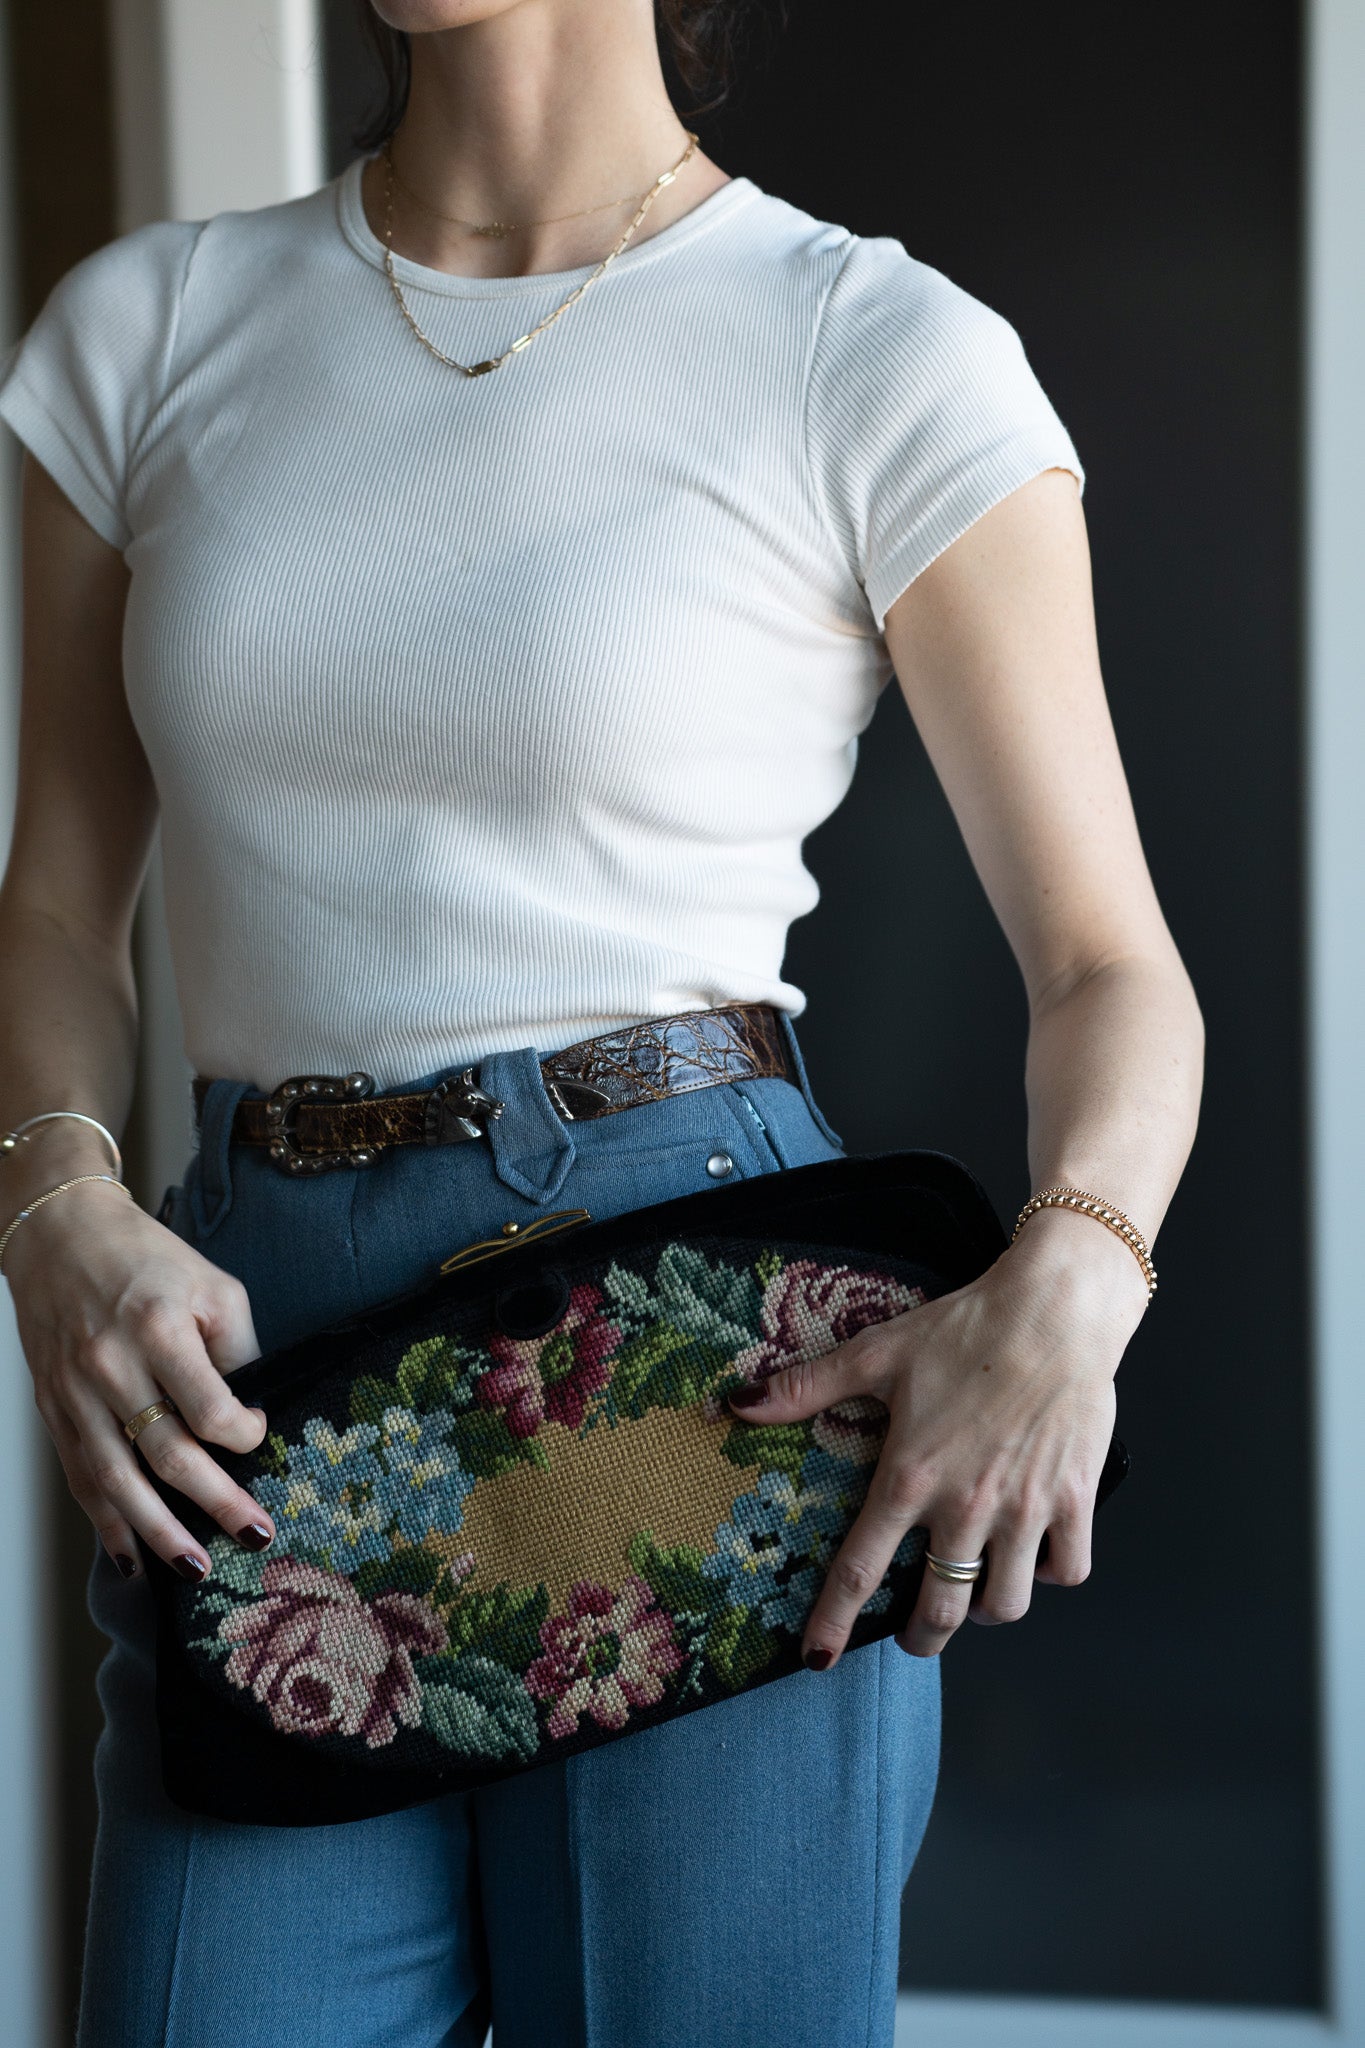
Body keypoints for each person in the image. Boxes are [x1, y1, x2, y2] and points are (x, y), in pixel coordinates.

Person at [0, 1, 1204, 2042]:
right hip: (267, 1371)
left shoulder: (867, 344)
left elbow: (1106, 962)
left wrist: (1070, 1285)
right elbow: (50, 905)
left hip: (702, 1368)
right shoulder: (150, 326)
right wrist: (54, 1204)